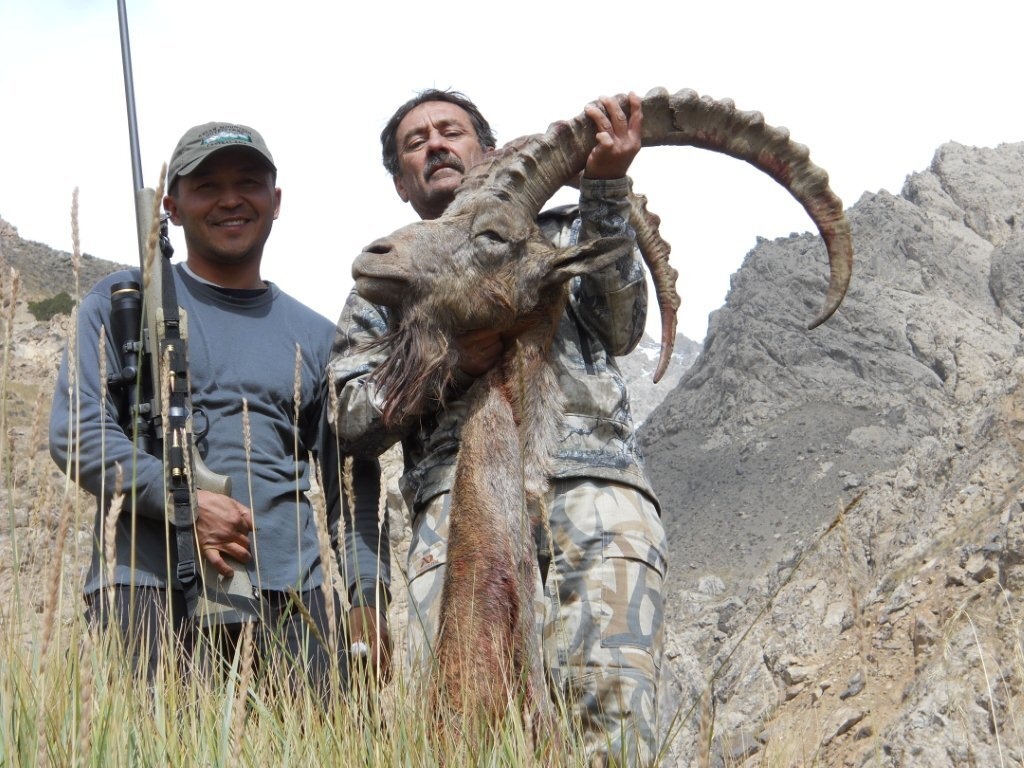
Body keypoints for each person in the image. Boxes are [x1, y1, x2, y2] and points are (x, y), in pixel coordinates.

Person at [328, 90, 667, 765]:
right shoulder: (388, 279)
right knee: (465, 730)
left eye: (450, 131)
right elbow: (352, 420)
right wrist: (447, 361)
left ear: (484, 150)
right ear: (401, 182)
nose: (433, 145)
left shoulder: (564, 234)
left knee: (613, 723)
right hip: (456, 510)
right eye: (413, 143)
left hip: (593, 493)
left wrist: (606, 191)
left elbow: (623, 327)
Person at [49, 122, 358, 693]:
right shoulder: (121, 304)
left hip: (293, 599)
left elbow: (349, 484)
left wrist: (365, 596)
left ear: (276, 201)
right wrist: (183, 501)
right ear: (172, 206)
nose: (230, 198)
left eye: (249, 182)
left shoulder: (318, 337)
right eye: (206, 185)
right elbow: (77, 437)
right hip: (148, 591)